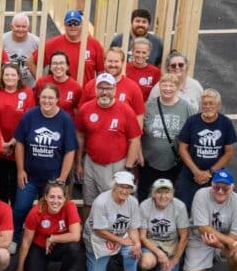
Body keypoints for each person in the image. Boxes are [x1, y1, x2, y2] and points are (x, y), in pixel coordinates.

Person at [12, 83, 77, 233]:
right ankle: (15, 237)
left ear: (57, 99)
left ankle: (43, 238)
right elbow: (20, 143)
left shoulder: (65, 119)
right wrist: (20, 170)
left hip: (54, 179)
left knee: (49, 211)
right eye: (44, 97)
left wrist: (62, 179)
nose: (47, 101)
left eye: (51, 98)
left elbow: (70, 151)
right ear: (39, 98)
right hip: (30, 177)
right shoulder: (29, 115)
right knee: (21, 207)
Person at [75, 73, 142, 209]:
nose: (104, 92)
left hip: (115, 166)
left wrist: (128, 168)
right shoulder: (86, 108)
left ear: (115, 89)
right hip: (90, 162)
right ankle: (88, 224)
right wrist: (78, 163)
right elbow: (80, 135)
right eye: (101, 88)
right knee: (88, 201)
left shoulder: (126, 110)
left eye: (108, 88)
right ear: (95, 89)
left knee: (112, 204)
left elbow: (134, 140)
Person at [184, 170, 237, 271]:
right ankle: (200, 258)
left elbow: (234, 236)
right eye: (217, 187)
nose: (220, 191)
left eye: (225, 188)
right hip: (199, 238)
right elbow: (203, 228)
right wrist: (230, 243)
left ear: (232, 187)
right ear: (211, 185)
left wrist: (219, 245)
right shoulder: (201, 195)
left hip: (222, 242)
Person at [10, 182, 81, 271]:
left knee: (74, 247)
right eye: (52, 197)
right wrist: (20, 268)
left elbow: (76, 235)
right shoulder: (36, 212)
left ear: (64, 198)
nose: (55, 201)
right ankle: (39, 262)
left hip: (59, 246)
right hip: (39, 247)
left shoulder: (70, 206)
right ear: (46, 197)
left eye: (59, 197)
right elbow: (26, 242)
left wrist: (53, 238)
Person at [83, 171, 144, 271]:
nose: (125, 191)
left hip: (120, 234)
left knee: (133, 248)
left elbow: (133, 227)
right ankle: (91, 253)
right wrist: (121, 241)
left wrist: (137, 243)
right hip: (99, 237)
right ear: (114, 186)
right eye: (121, 186)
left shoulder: (133, 202)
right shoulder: (101, 202)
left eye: (128, 187)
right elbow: (99, 230)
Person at [177, 89, 237, 212]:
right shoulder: (192, 121)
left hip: (216, 176)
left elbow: (229, 153)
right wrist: (196, 172)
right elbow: (182, 148)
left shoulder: (226, 123)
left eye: (211, 103)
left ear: (218, 105)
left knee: (213, 210)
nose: (207, 106)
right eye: (204, 103)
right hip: (190, 174)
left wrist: (209, 172)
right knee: (183, 209)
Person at [139, 72, 191, 201]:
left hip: (174, 163)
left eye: (171, 86)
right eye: (164, 85)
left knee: (169, 197)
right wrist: (139, 153)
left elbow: (192, 134)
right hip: (149, 163)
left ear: (177, 88)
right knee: (145, 196)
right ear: (159, 87)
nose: (167, 88)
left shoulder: (186, 107)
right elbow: (138, 132)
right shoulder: (149, 106)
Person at [0, 62, 35, 205]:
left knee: (17, 186)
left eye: (13, 75)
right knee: (0, 184)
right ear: (2, 76)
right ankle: (1, 213)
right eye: (6, 75)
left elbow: (28, 120)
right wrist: (2, 143)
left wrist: (12, 143)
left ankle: (15, 216)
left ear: (19, 77)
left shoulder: (27, 92)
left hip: (19, 146)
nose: (9, 78)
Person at [137, 178, 189, 271]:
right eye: (159, 192)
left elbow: (184, 237)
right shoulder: (145, 205)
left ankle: (159, 270)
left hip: (170, 249)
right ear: (153, 194)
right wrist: (159, 253)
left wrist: (174, 260)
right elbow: (142, 236)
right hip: (151, 245)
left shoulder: (179, 206)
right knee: (146, 263)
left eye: (167, 192)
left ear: (172, 194)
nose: (163, 196)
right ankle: (148, 269)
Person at [29, 9, 104, 84]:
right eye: (69, 23)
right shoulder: (53, 44)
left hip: (85, 91)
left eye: (76, 23)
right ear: (64, 25)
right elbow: (31, 62)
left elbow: (101, 71)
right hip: (59, 91)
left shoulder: (95, 45)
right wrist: (43, 84)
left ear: (82, 24)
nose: (73, 26)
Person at [80, 48, 146, 125]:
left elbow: (139, 117)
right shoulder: (91, 85)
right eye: (110, 61)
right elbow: (81, 113)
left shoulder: (133, 88)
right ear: (104, 62)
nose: (113, 65)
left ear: (122, 63)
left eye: (116, 61)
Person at [34, 51, 82, 117]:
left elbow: (77, 110)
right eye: (55, 63)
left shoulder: (76, 87)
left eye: (61, 63)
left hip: (65, 122)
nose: (58, 66)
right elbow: (36, 104)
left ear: (67, 66)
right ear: (50, 67)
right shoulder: (41, 83)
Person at [1, 13, 40, 87]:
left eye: (24, 26)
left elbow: (44, 63)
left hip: (31, 87)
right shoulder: (1, 40)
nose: (20, 29)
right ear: (11, 27)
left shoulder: (37, 42)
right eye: (18, 26)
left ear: (28, 28)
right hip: (7, 86)